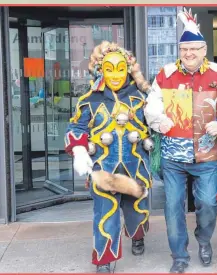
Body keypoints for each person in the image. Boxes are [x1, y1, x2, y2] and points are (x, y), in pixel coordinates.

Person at [141, 8, 217, 273]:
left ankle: (203, 239)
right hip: (173, 157)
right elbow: (151, 104)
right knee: (173, 209)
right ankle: (179, 257)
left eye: (194, 49)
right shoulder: (165, 74)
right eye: (184, 49)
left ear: (204, 49)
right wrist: (157, 119)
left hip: (207, 156)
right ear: (179, 50)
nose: (189, 54)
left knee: (209, 203)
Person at [65, 41, 154, 273]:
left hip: (136, 165)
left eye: (120, 68)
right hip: (104, 166)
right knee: (105, 212)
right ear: (100, 70)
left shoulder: (141, 97)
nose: (115, 74)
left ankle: (137, 236)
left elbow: (156, 124)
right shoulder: (90, 100)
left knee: (137, 207)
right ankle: (104, 259)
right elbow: (76, 128)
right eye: (110, 69)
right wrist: (78, 149)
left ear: (128, 69)